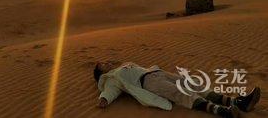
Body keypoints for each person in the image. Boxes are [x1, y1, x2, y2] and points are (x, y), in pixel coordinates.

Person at [94, 62, 260, 118]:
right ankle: (223, 111)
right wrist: (104, 99)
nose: (106, 63)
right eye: (102, 65)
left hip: (157, 73)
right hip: (148, 83)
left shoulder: (122, 65)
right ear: (101, 72)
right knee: (181, 94)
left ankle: (237, 101)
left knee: (193, 85)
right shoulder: (111, 79)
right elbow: (111, 91)